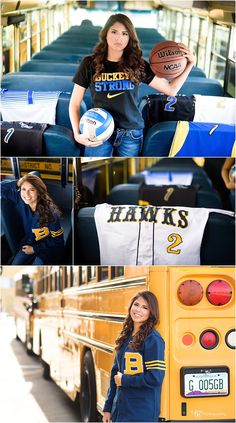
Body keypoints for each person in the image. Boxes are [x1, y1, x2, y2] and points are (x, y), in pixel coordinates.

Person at [69, 13, 195, 157]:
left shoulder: (137, 64)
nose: (119, 38)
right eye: (114, 32)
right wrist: (77, 134)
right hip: (97, 130)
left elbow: (171, 90)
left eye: (125, 33)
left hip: (131, 133)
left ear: (130, 38)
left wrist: (190, 64)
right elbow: (74, 103)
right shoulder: (89, 63)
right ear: (105, 34)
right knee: (96, 172)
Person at [103, 291, 165, 422]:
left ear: (151, 312)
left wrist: (125, 380)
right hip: (120, 410)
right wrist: (108, 408)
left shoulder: (153, 340)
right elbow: (115, 374)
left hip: (141, 412)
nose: (138, 310)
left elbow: (155, 377)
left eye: (145, 307)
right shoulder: (126, 336)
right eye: (136, 305)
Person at [1, 174, 64, 265]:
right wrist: (17, 183)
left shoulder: (52, 213)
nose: (26, 194)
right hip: (29, 243)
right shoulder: (20, 199)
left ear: (39, 191)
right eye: (23, 189)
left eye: (32, 190)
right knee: (14, 265)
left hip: (48, 250)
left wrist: (34, 249)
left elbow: (57, 241)